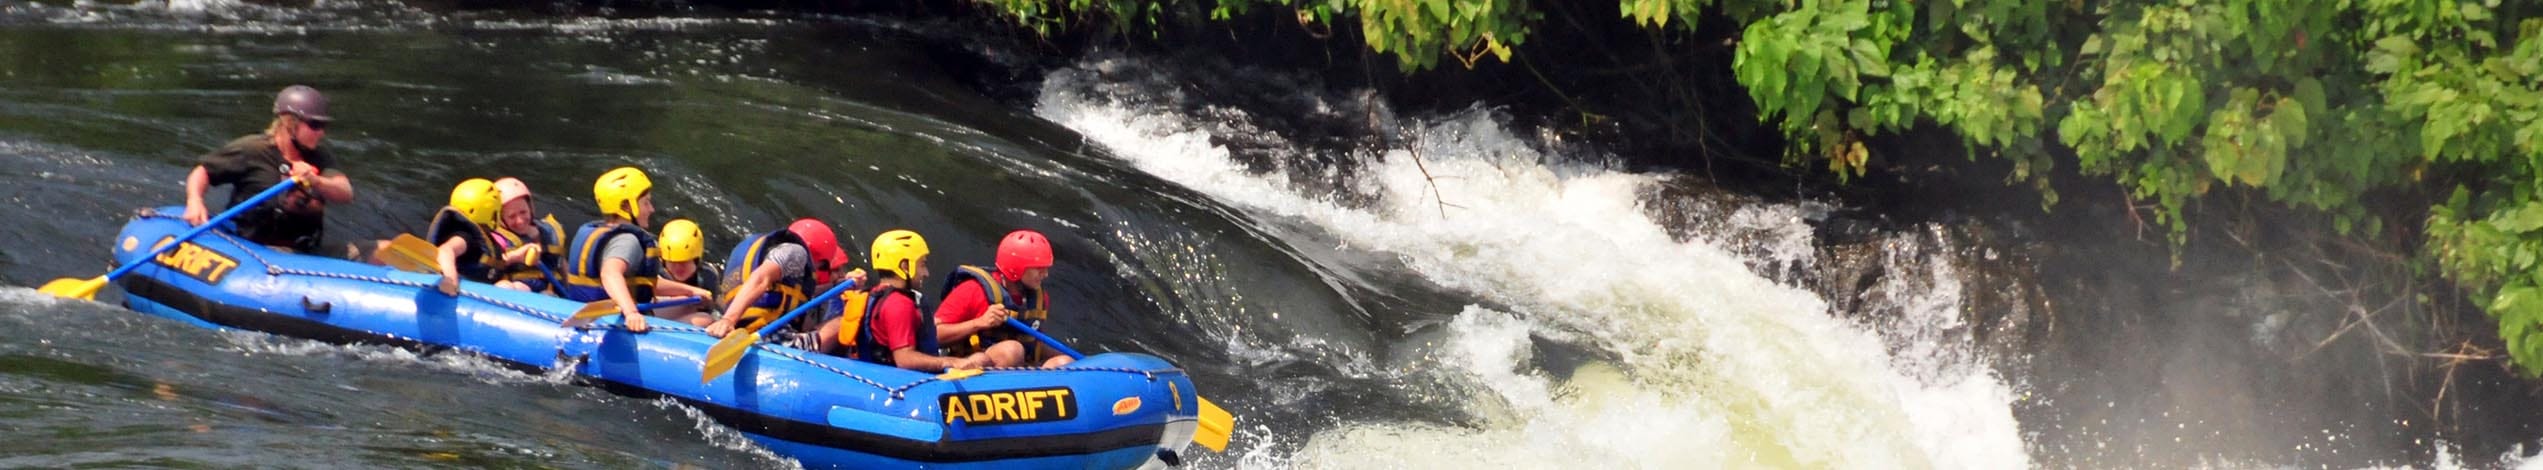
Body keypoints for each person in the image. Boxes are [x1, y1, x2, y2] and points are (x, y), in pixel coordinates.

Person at [181, 85, 355, 253]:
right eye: (315, 125)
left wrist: (317, 181)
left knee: (380, 250)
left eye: (323, 126)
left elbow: (345, 192)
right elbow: (202, 171)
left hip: (306, 252)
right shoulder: (252, 149)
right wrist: (195, 200)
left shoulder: (320, 155)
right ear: (290, 123)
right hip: (256, 252)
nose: (321, 133)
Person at [557, 167, 711, 333]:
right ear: (626, 206)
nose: (651, 209)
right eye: (645, 202)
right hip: (611, 321)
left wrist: (690, 291)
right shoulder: (628, 241)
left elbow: (644, 282)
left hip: (590, 311)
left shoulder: (597, 230)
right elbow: (610, 273)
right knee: (705, 319)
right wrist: (631, 313)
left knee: (688, 305)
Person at [847, 230, 988, 371]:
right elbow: (905, 360)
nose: (926, 273)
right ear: (905, 267)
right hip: (902, 382)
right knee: (982, 359)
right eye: (922, 265)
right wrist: (949, 361)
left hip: (877, 372)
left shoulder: (873, 294)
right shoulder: (899, 304)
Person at [934, 229, 1073, 368]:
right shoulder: (973, 290)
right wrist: (979, 322)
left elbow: (1034, 341)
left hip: (1022, 369)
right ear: (1016, 267)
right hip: (974, 368)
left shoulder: (1040, 298)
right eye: (1039, 268)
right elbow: (934, 335)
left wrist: (1070, 360)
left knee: (1065, 361)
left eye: (1046, 268)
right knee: (1012, 350)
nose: (1045, 274)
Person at [702, 218, 848, 335]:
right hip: (769, 336)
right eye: (824, 265)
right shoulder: (797, 253)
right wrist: (729, 320)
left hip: (747, 326)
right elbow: (760, 278)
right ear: (818, 257)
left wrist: (838, 285)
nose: (820, 270)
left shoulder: (774, 252)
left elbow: (795, 295)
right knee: (840, 323)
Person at [422, 178, 518, 295]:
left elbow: (492, 261)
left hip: (484, 284)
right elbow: (446, 251)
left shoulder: (482, 237)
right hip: (467, 291)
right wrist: (450, 280)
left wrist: (517, 256)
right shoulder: (465, 237)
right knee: (506, 287)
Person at [489, 177, 567, 294]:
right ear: (501, 218)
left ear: (530, 208)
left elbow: (563, 267)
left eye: (523, 212)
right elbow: (485, 268)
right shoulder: (496, 239)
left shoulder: (550, 232)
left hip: (549, 293)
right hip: (517, 289)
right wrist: (515, 257)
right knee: (505, 286)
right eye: (512, 216)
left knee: (548, 294)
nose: (520, 221)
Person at [655, 218, 719, 318]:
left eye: (684, 262)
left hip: (685, 321)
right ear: (663, 261)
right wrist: (689, 291)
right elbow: (650, 285)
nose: (678, 267)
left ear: (696, 260)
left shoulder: (708, 276)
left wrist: (707, 303)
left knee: (705, 318)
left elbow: (710, 308)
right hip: (653, 313)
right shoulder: (653, 269)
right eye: (673, 262)